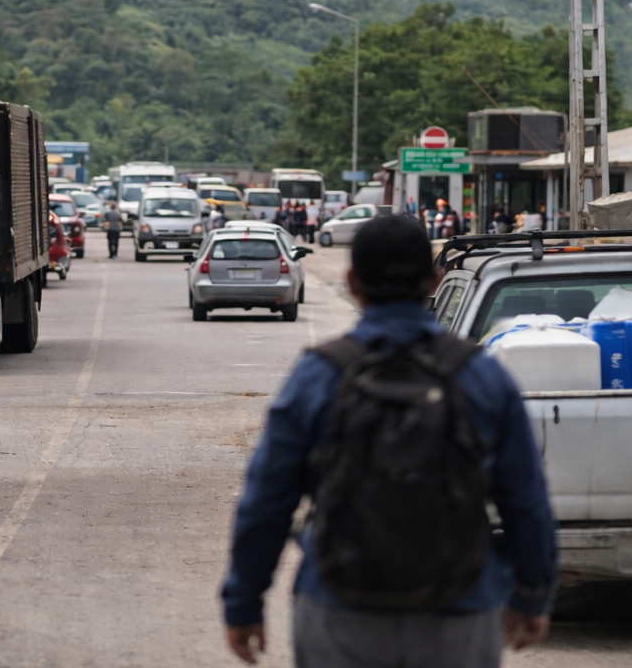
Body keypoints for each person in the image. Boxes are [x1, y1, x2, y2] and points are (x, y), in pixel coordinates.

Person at [221, 215, 555, 668]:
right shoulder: (481, 375)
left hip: (339, 608)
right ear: (435, 281)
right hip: (459, 608)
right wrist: (533, 595)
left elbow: (266, 502)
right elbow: (526, 502)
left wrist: (244, 604)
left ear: (353, 282)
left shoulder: (319, 374)